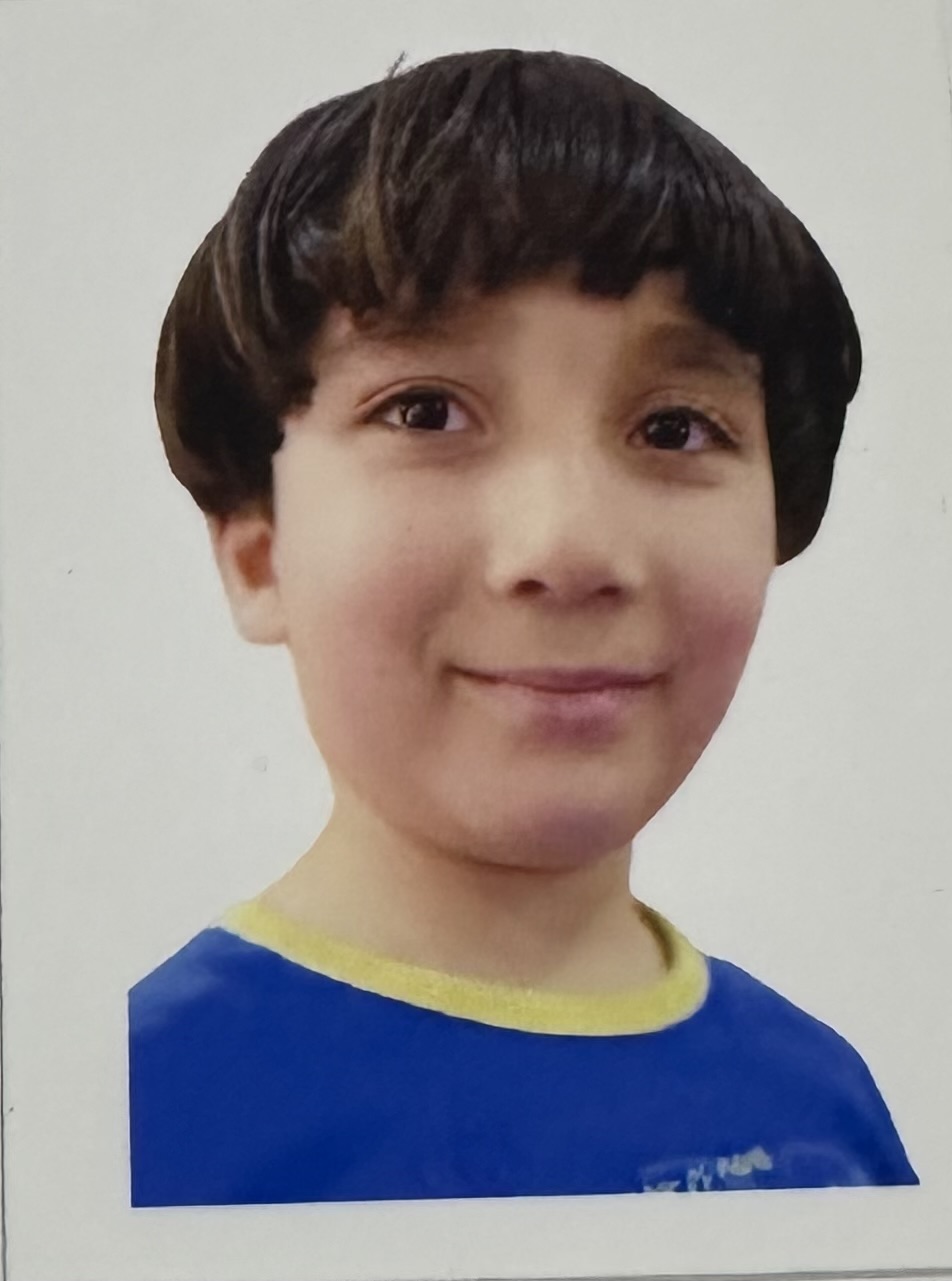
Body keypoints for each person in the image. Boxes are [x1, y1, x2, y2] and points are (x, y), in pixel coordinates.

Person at [128, 47, 918, 1206]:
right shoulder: (129, 1122)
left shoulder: (821, 1108)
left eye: (675, 429)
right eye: (426, 411)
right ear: (258, 553)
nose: (569, 548)